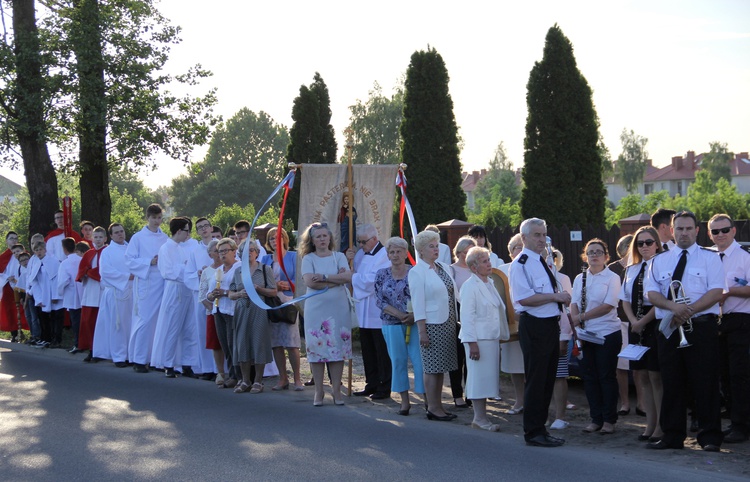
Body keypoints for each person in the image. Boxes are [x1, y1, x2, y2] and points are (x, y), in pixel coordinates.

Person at [645, 210, 725, 451]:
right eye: (679, 228)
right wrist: (673, 307)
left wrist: (688, 310)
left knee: (706, 382)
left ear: (697, 231)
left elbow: (717, 291)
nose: (684, 233)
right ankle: (672, 436)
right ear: (671, 231)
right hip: (669, 329)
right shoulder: (658, 261)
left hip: (701, 328)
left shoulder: (711, 258)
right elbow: (652, 293)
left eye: (689, 228)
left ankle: (709, 437)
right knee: (672, 382)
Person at [509, 218, 569, 447]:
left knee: (546, 380)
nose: (541, 239)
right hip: (534, 325)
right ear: (523, 238)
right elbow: (524, 298)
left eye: (543, 234)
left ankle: (540, 428)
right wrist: (556, 297)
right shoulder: (521, 263)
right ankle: (533, 431)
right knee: (536, 380)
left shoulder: (543, 261)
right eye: (536, 235)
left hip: (549, 324)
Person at [570, 239, 622, 435]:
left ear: (606, 257)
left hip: (607, 332)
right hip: (586, 334)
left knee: (606, 376)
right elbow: (574, 302)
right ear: (585, 256)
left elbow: (608, 305)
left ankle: (609, 420)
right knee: (589, 377)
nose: (594, 255)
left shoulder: (612, 277)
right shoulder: (579, 278)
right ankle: (595, 418)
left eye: (599, 252)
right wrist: (576, 320)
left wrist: (580, 318)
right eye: (590, 252)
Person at [708, 213, 750, 444]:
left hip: (740, 320)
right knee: (724, 375)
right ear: (709, 234)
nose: (720, 235)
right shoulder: (707, 256)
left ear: (734, 231)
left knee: (739, 376)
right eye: (715, 231)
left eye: (724, 230)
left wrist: (730, 292)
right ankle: (734, 421)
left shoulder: (745, 257)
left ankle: (741, 426)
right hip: (716, 321)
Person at [300, 222, 353, 406]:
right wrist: (334, 280)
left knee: (337, 348)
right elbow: (310, 283)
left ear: (330, 238)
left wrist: (323, 277)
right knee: (317, 348)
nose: (322, 239)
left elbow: (347, 277)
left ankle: (337, 391)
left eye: (325, 236)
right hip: (316, 308)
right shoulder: (308, 259)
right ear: (312, 240)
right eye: (318, 236)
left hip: (338, 308)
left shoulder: (339, 257)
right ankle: (319, 391)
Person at [408, 229, 459, 421]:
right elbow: (418, 303)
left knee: (441, 367)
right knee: (431, 367)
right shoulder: (416, 272)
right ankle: (433, 408)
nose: (436, 249)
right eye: (431, 246)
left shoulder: (443, 267)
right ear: (421, 250)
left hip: (448, 323)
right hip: (431, 325)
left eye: (437, 246)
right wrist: (422, 331)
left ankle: (439, 406)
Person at [620, 226, 664, 441]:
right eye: (640, 243)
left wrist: (643, 321)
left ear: (657, 243)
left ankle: (660, 427)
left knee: (656, 375)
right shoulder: (631, 269)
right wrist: (634, 322)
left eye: (648, 242)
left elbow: (662, 299)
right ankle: (649, 424)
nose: (644, 246)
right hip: (635, 322)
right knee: (641, 374)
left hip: (655, 321)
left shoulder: (663, 266)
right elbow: (625, 299)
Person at [459, 246, 509, 432]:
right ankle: (478, 418)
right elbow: (467, 317)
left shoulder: (490, 283)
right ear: (473, 267)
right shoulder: (469, 286)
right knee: (478, 379)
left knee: (487, 379)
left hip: (491, 338)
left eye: (489, 260)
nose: (489, 264)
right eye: (485, 261)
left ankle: (482, 416)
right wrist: (472, 344)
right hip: (478, 340)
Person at [374, 236, 423, 416]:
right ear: (388, 255)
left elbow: (423, 297)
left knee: (419, 362)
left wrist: (414, 316)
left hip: (416, 323)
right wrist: (400, 315)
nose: (395, 255)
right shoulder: (381, 274)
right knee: (398, 361)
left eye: (398, 251)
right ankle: (404, 402)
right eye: (391, 252)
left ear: (406, 253)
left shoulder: (415, 273)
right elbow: (379, 300)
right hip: (391, 324)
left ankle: (427, 399)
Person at [347, 224, 392, 400]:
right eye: (359, 241)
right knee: (368, 350)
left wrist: (352, 277)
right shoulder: (361, 254)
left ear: (374, 239)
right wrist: (349, 259)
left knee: (381, 351)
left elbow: (372, 281)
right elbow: (355, 272)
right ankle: (371, 383)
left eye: (363, 242)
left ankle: (385, 385)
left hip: (376, 311)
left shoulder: (384, 255)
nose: (360, 245)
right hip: (363, 310)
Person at [150, 217, 199, 378]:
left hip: (187, 290)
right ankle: (168, 364)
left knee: (189, 328)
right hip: (175, 290)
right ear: (178, 231)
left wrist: (189, 271)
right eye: (186, 230)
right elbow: (168, 272)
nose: (188, 234)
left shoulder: (182, 248)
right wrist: (186, 270)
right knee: (172, 328)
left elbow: (189, 267)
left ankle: (187, 363)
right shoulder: (166, 248)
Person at [227, 241, 275, 393]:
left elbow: (273, 291)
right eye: (244, 251)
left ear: (256, 252)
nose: (248, 253)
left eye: (251, 250)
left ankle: (258, 381)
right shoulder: (238, 271)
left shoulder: (265, 269)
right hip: (242, 310)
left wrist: (259, 289)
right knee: (242, 344)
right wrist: (239, 294)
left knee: (258, 343)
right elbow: (230, 293)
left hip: (259, 310)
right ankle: (245, 380)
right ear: (239, 254)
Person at [126, 203, 168, 373]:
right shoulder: (138, 238)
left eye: (159, 218)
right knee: (144, 320)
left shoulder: (165, 238)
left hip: (162, 282)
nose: (157, 221)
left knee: (159, 320)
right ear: (147, 218)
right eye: (154, 218)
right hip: (146, 281)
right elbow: (129, 260)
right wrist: (148, 262)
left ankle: (155, 358)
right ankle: (139, 359)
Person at [261, 227, 303, 391]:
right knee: (276, 343)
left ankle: (298, 379)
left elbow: (299, 278)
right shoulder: (265, 259)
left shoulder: (293, 256)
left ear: (284, 238)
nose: (274, 240)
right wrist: (273, 286)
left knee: (292, 343)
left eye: (277, 237)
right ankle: (283, 378)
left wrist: (287, 284)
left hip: (289, 301)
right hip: (271, 302)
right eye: (271, 238)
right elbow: (260, 278)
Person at [608, 234, 643, 417]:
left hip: (638, 322)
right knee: (621, 366)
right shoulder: (613, 269)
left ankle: (642, 403)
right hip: (619, 321)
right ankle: (624, 403)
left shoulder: (641, 266)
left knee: (638, 365)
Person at [93, 224, 133, 367]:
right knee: (118, 324)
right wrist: (127, 277)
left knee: (131, 324)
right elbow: (105, 272)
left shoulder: (132, 248)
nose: (120, 234)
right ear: (110, 236)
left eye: (122, 231)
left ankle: (130, 354)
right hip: (116, 291)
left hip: (132, 292)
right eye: (116, 233)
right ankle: (119, 356)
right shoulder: (107, 252)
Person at [185, 217, 218, 379]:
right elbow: (187, 274)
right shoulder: (195, 251)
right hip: (202, 295)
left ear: (211, 228)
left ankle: (220, 369)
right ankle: (207, 368)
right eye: (200, 227)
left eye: (206, 226)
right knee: (202, 332)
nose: (204, 229)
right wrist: (198, 274)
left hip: (219, 295)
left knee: (219, 331)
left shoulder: (221, 246)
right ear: (197, 232)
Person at [208, 238, 241, 388]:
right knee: (224, 344)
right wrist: (212, 294)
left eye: (225, 251)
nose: (222, 254)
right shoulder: (219, 271)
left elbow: (241, 290)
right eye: (219, 251)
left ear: (234, 251)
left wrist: (225, 292)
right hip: (218, 309)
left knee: (232, 343)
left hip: (232, 310)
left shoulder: (239, 268)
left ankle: (237, 375)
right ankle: (231, 374)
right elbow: (208, 293)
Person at [449, 235, 477, 408]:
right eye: (464, 253)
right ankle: (457, 394)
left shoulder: (476, 270)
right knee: (458, 357)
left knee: (471, 358)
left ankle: (471, 393)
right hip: (457, 315)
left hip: (474, 315)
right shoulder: (450, 270)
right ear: (457, 253)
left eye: (470, 253)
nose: (466, 256)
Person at [499, 233, 525, 413]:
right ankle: (519, 400)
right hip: (511, 325)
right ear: (510, 252)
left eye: (524, 246)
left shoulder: (535, 266)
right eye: (518, 247)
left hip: (532, 322)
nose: (522, 250)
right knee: (516, 365)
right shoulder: (501, 270)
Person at [549, 246, 573, 430]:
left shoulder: (562, 278)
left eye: (551, 257)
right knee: (541, 376)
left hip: (559, 334)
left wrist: (564, 336)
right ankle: (545, 414)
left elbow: (566, 311)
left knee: (559, 375)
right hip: (541, 335)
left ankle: (560, 416)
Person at [77, 226, 107, 362]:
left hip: (102, 291)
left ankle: (101, 350)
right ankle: (91, 349)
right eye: (96, 237)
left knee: (101, 322)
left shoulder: (108, 252)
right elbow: (82, 269)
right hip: (90, 291)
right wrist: (85, 273)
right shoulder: (88, 253)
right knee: (88, 322)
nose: (98, 239)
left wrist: (90, 272)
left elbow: (104, 271)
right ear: (92, 238)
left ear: (105, 238)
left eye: (101, 237)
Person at [199, 240, 226, 386]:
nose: (219, 253)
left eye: (221, 250)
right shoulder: (206, 272)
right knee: (216, 343)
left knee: (230, 341)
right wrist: (213, 309)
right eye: (216, 251)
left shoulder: (229, 267)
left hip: (228, 310)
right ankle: (220, 372)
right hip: (213, 312)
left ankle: (235, 372)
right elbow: (202, 295)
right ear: (210, 254)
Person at [28, 240, 63, 348]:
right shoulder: (36, 263)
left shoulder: (53, 261)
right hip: (43, 294)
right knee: (44, 318)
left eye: (40, 249)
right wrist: (38, 298)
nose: (39, 252)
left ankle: (56, 339)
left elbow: (57, 279)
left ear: (45, 250)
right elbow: (34, 281)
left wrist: (55, 295)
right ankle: (46, 338)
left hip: (53, 294)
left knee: (56, 318)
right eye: (36, 250)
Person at [56, 238, 84, 353]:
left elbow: (63, 281)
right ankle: (85, 343)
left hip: (72, 295)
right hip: (83, 293)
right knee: (84, 320)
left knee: (75, 321)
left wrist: (60, 292)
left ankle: (77, 343)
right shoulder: (82, 259)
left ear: (64, 249)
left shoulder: (65, 263)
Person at [0, 232, 27, 342]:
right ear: (7, 241)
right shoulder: (3, 257)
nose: (14, 241)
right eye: (11, 239)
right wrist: (7, 277)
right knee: (10, 311)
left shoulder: (24, 255)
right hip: (7, 286)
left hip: (21, 286)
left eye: (16, 238)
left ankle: (26, 331)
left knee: (23, 309)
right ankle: (15, 333)